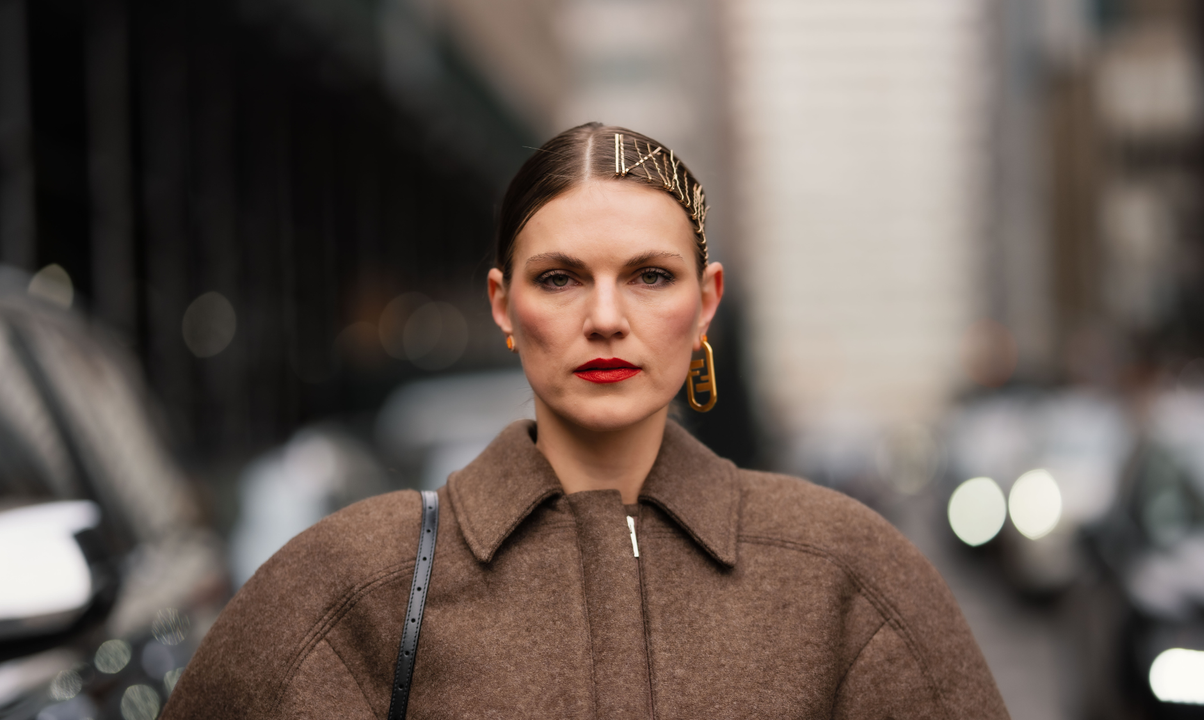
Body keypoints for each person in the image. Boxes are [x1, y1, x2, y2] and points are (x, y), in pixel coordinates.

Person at [164, 123, 1009, 719]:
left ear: (706, 301)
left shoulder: (846, 579)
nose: (605, 318)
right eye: (561, 278)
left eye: (649, 276)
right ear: (504, 303)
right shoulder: (350, 587)